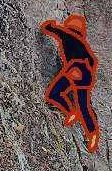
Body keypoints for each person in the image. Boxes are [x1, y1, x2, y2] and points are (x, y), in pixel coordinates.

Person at [41, 14, 99, 151]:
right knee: (84, 105)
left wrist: (50, 24)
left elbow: (52, 29)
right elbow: (92, 61)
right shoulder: (83, 44)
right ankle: (92, 134)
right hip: (86, 73)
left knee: (54, 93)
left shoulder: (68, 35)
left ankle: (70, 112)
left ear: (70, 27)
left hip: (76, 68)